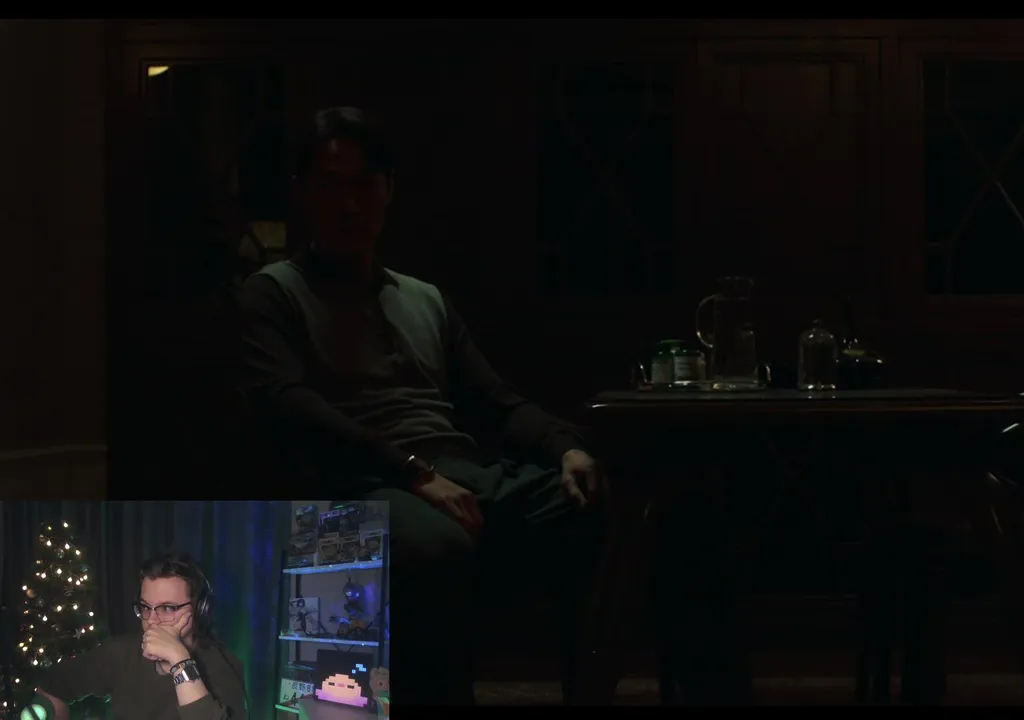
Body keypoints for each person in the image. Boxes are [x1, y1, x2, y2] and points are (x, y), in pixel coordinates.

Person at [237, 107, 605, 705]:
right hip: (355, 483)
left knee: (607, 504)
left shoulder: (422, 298)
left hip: (453, 471)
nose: (349, 205)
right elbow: (289, 404)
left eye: (365, 184)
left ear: (388, 190)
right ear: (303, 193)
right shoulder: (274, 292)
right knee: (437, 548)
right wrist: (411, 472)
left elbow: (494, 399)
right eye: (330, 186)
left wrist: (565, 447)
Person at [32, 552, 246, 720]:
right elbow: (53, 685)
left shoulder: (222, 668)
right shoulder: (120, 653)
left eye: (168, 608)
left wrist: (180, 662)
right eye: (145, 607)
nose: (151, 620)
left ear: (199, 609)